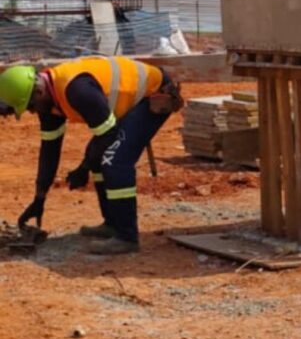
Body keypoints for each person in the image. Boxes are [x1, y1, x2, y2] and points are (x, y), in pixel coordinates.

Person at [0, 57, 183, 255]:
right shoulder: (48, 100)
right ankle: (113, 223)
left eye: (30, 106)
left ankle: (127, 237)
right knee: (98, 155)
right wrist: (39, 198)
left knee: (115, 160)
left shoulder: (76, 90)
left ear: (38, 91)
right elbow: (49, 150)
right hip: (126, 107)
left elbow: (109, 133)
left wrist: (83, 167)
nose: (32, 111)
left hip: (155, 94)